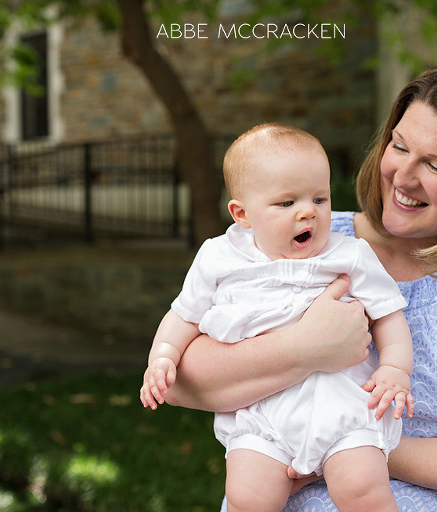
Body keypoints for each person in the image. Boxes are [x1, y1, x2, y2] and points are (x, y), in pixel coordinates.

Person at [163, 56, 437, 511]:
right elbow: (179, 380)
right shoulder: (298, 241)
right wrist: (302, 349)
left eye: (436, 166)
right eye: (399, 146)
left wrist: (347, 445)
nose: (402, 176)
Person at [140, 122, 415, 511]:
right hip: (262, 414)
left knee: (363, 490)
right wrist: (163, 356)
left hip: (341, 407)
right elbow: (183, 316)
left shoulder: (348, 255)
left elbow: (388, 314)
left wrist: (396, 369)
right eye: (287, 203)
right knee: (246, 497)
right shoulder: (219, 258)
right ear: (242, 213)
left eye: (319, 199)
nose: (308, 213)